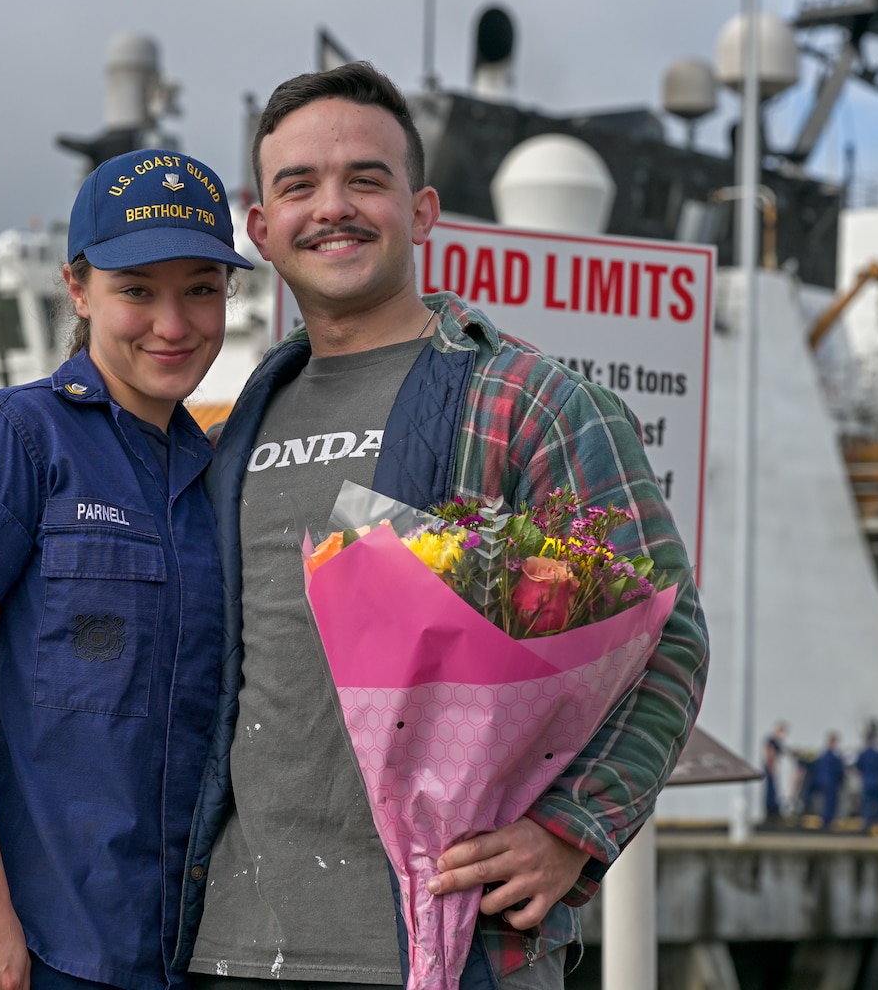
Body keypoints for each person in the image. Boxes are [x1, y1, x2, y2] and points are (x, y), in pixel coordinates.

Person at [182, 63, 709, 990]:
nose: (332, 207)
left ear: (423, 213)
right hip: (232, 945)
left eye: (367, 180)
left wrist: (569, 834)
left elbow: (668, 638)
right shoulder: (232, 436)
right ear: (261, 230)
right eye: (298, 185)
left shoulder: (533, 403)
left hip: (454, 947)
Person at [0, 148, 251, 990]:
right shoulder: (14, 439)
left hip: (185, 951)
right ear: (80, 291)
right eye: (137, 291)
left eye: (201, 288)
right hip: (44, 947)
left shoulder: (218, 481)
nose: (173, 322)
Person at [810, 733, 845, 828]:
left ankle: (823, 819)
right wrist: (841, 781)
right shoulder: (835, 757)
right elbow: (839, 771)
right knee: (830, 803)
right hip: (832, 783)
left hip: (821, 782)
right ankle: (828, 821)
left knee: (822, 803)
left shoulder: (822, 756)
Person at [855, 722, 878, 832]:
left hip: (867, 781)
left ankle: (866, 823)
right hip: (877, 781)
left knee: (867, 803)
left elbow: (858, 767)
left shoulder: (863, 754)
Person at [763, 721, 789, 822]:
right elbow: (770, 754)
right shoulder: (772, 741)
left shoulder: (775, 742)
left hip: (771, 768)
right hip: (770, 769)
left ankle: (772, 810)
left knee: (773, 790)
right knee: (771, 791)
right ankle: (771, 812)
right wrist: (771, 767)